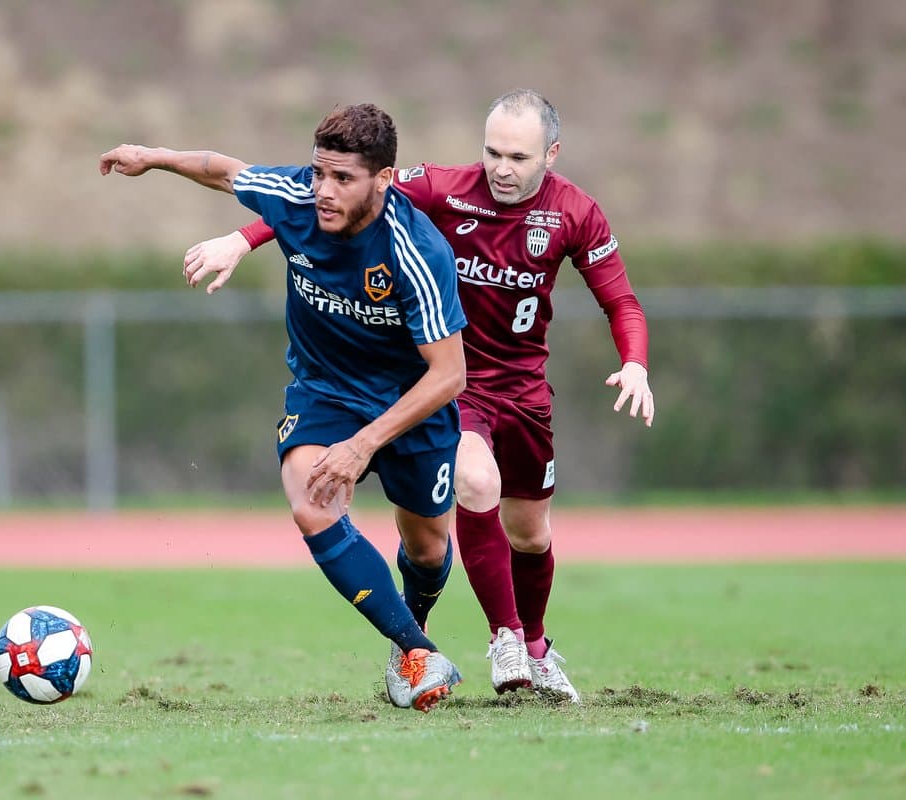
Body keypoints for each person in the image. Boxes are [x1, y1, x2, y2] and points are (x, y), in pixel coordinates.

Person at [183, 89, 654, 705]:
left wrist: (635, 363)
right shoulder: (441, 188)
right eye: (492, 152)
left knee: (530, 534)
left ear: (551, 154)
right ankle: (499, 639)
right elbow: (332, 195)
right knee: (476, 482)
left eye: (518, 157)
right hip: (449, 382)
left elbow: (621, 300)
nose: (501, 168)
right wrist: (245, 238)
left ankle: (536, 647)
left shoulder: (576, 213)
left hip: (523, 389)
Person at [98, 103, 469, 713]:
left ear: (383, 179)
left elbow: (449, 374)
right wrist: (153, 157)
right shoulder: (296, 197)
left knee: (428, 549)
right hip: (325, 390)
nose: (324, 190)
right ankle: (416, 649)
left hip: (411, 405)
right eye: (319, 172)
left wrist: (363, 445)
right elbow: (224, 170)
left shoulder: (416, 251)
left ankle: (412, 620)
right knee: (310, 500)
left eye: (343, 179)